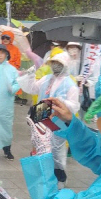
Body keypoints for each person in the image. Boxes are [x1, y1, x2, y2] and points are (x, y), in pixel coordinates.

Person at [19, 51, 80, 186]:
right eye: (54, 63)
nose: (55, 66)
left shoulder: (70, 84)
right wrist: (29, 76)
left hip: (58, 119)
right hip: (41, 114)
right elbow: (32, 88)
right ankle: (44, 175)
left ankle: (60, 176)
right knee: (40, 144)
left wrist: (59, 101)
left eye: (59, 64)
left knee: (56, 149)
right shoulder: (46, 79)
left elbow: (74, 106)